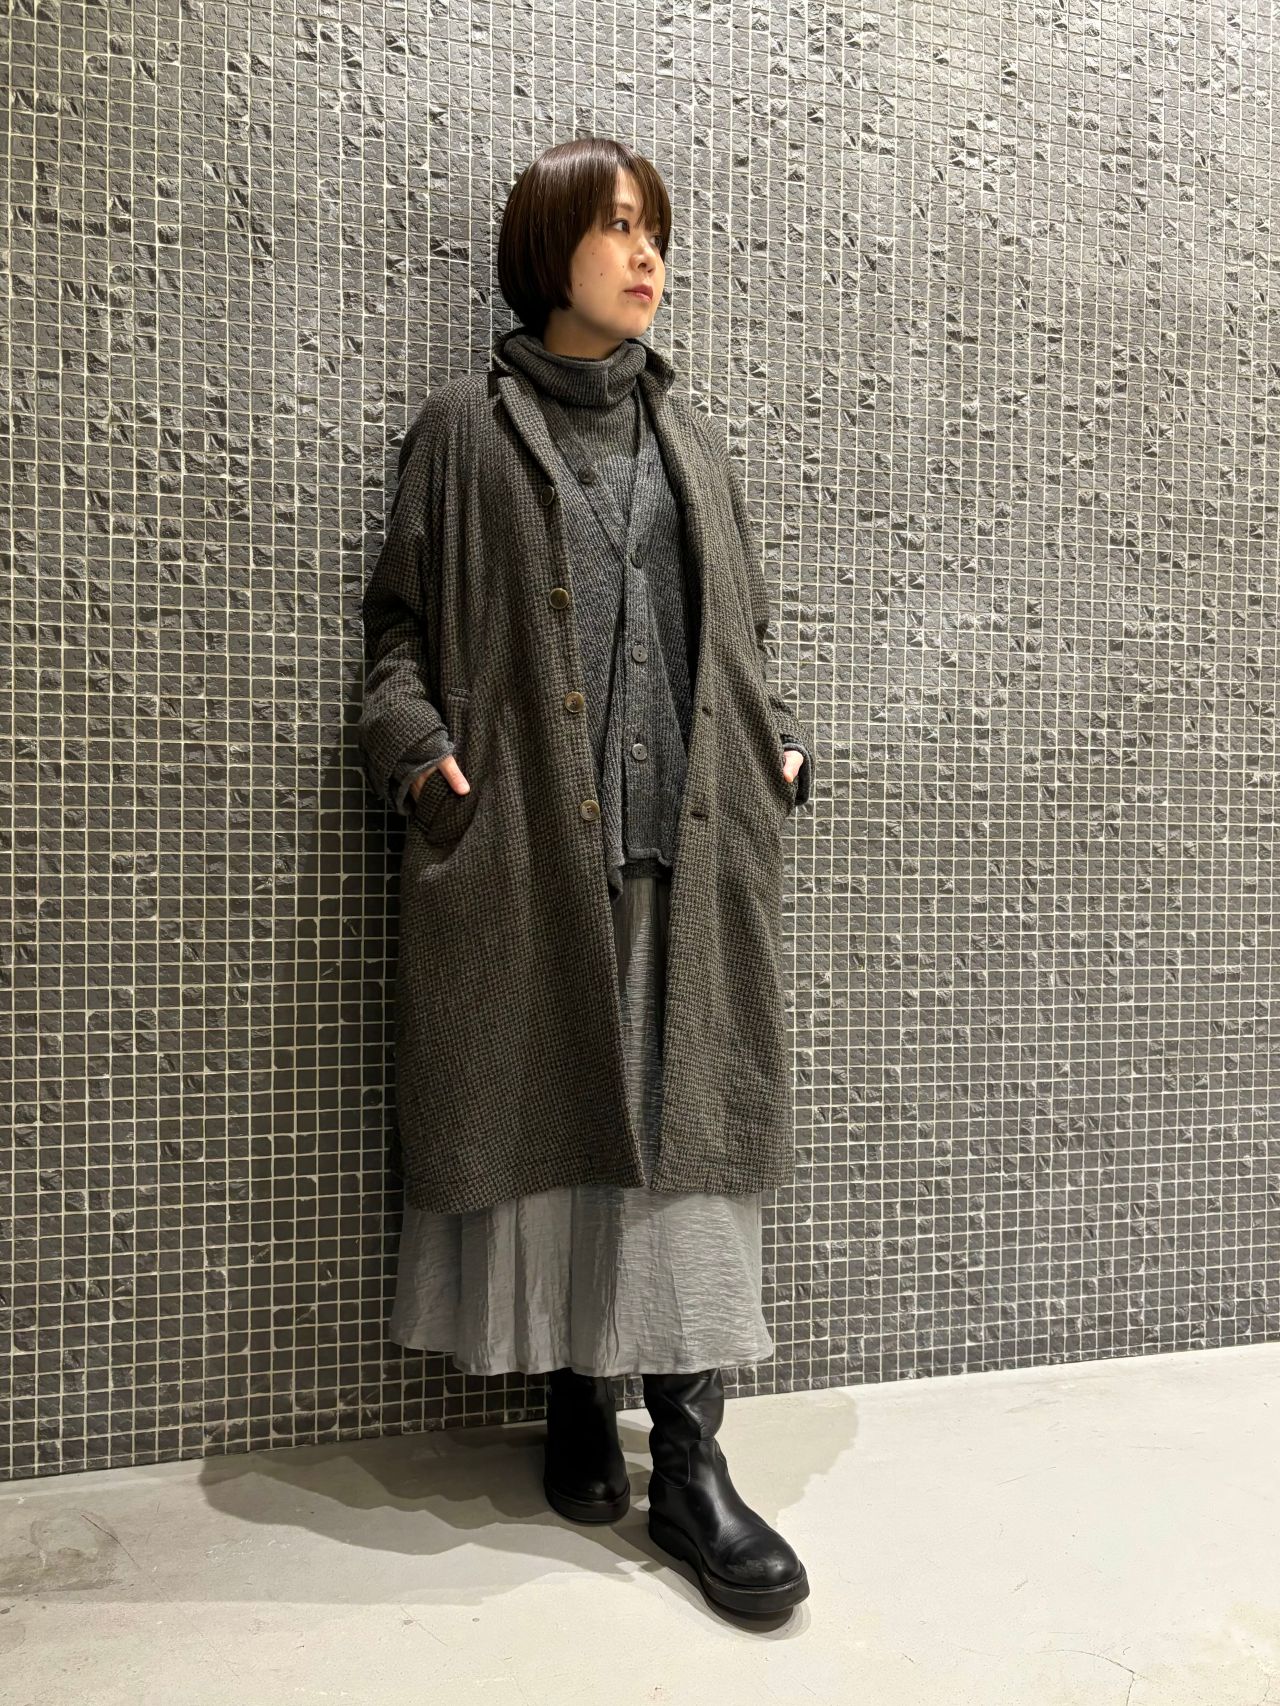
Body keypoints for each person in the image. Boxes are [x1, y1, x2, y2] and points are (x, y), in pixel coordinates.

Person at [361, 137, 814, 1616]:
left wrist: (781, 744)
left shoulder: (694, 439)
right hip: (530, 859)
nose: (646, 254)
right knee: (564, 1125)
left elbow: (745, 629)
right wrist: (422, 760)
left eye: (654, 229)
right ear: (548, 248)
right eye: (616, 226)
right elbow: (395, 638)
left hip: (691, 846)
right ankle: (573, 1392)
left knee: (686, 1146)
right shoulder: (462, 435)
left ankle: (688, 1459)